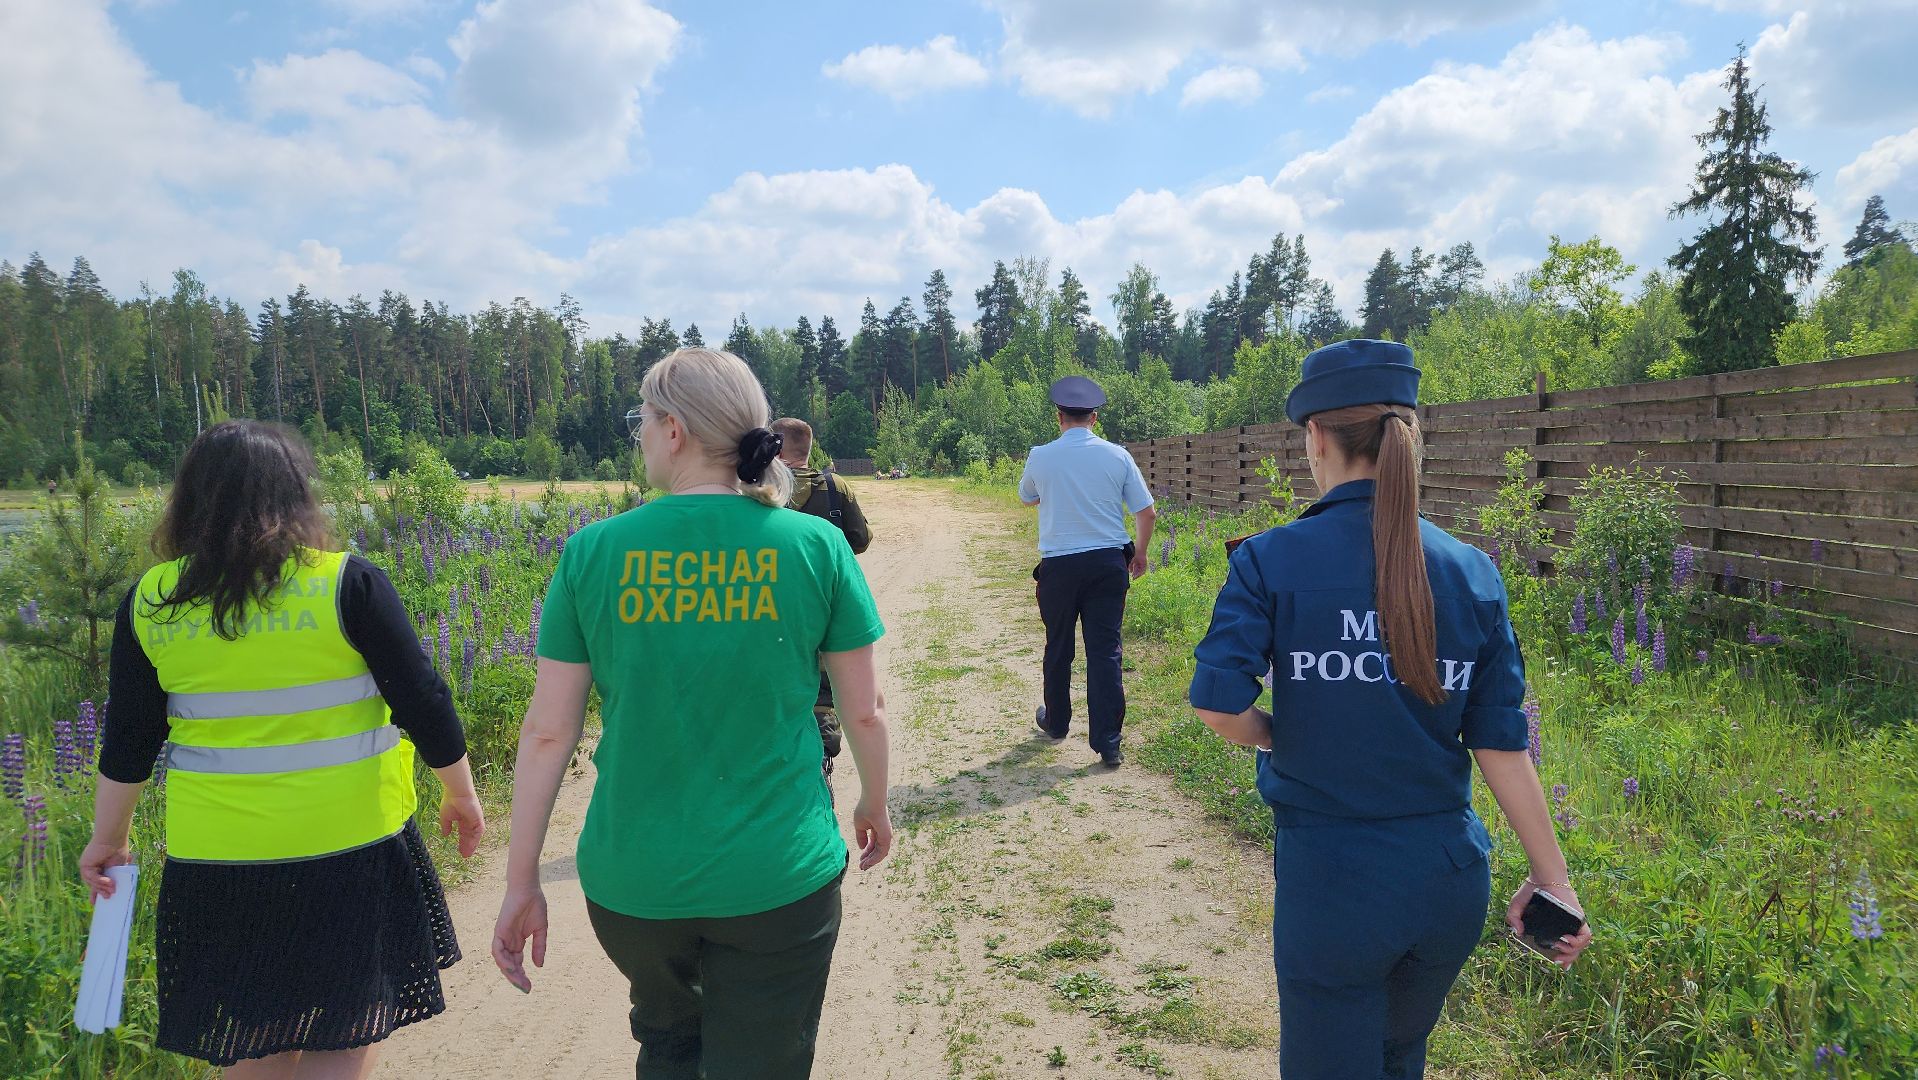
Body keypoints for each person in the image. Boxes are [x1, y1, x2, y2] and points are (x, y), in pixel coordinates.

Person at [1187, 339, 1593, 1078]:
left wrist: (1278, 734)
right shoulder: (1473, 572)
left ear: (1315, 437)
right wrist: (1552, 880)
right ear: (1409, 435)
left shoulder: (1269, 560)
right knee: (1400, 1056)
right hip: (1448, 880)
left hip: (1334, 884)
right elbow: (1502, 743)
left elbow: (1217, 705)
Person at [491, 348, 892, 1079]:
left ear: (673, 430)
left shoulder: (592, 552)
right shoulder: (817, 546)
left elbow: (548, 731)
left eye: (641, 419)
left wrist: (521, 883)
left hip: (636, 888)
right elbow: (864, 713)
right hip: (778, 879)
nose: (639, 433)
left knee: (671, 1046)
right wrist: (874, 801)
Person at [79, 419, 484, 1080]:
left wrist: (108, 839)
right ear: (297, 495)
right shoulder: (347, 583)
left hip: (219, 858)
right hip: (353, 844)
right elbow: (424, 700)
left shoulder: (150, 604)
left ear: (190, 501)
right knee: (346, 1025)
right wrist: (461, 792)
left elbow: (127, 743)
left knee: (252, 1032)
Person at [1018, 376, 1155, 767]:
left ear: (1059, 416)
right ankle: (1108, 742)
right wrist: (1141, 554)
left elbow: (1027, 497)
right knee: (1105, 651)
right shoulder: (1118, 456)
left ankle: (1057, 722)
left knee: (1058, 645)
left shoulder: (1040, 456)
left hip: (1059, 567)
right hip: (1108, 565)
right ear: (1094, 417)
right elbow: (1146, 512)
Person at [771, 417, 872, 780]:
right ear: (807, 448)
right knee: (824, 687)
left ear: (775, 447)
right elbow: (859, 538)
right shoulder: (835, 486)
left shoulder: (757, 488)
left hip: (769, 603)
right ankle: (823, 756)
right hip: (824, 599)